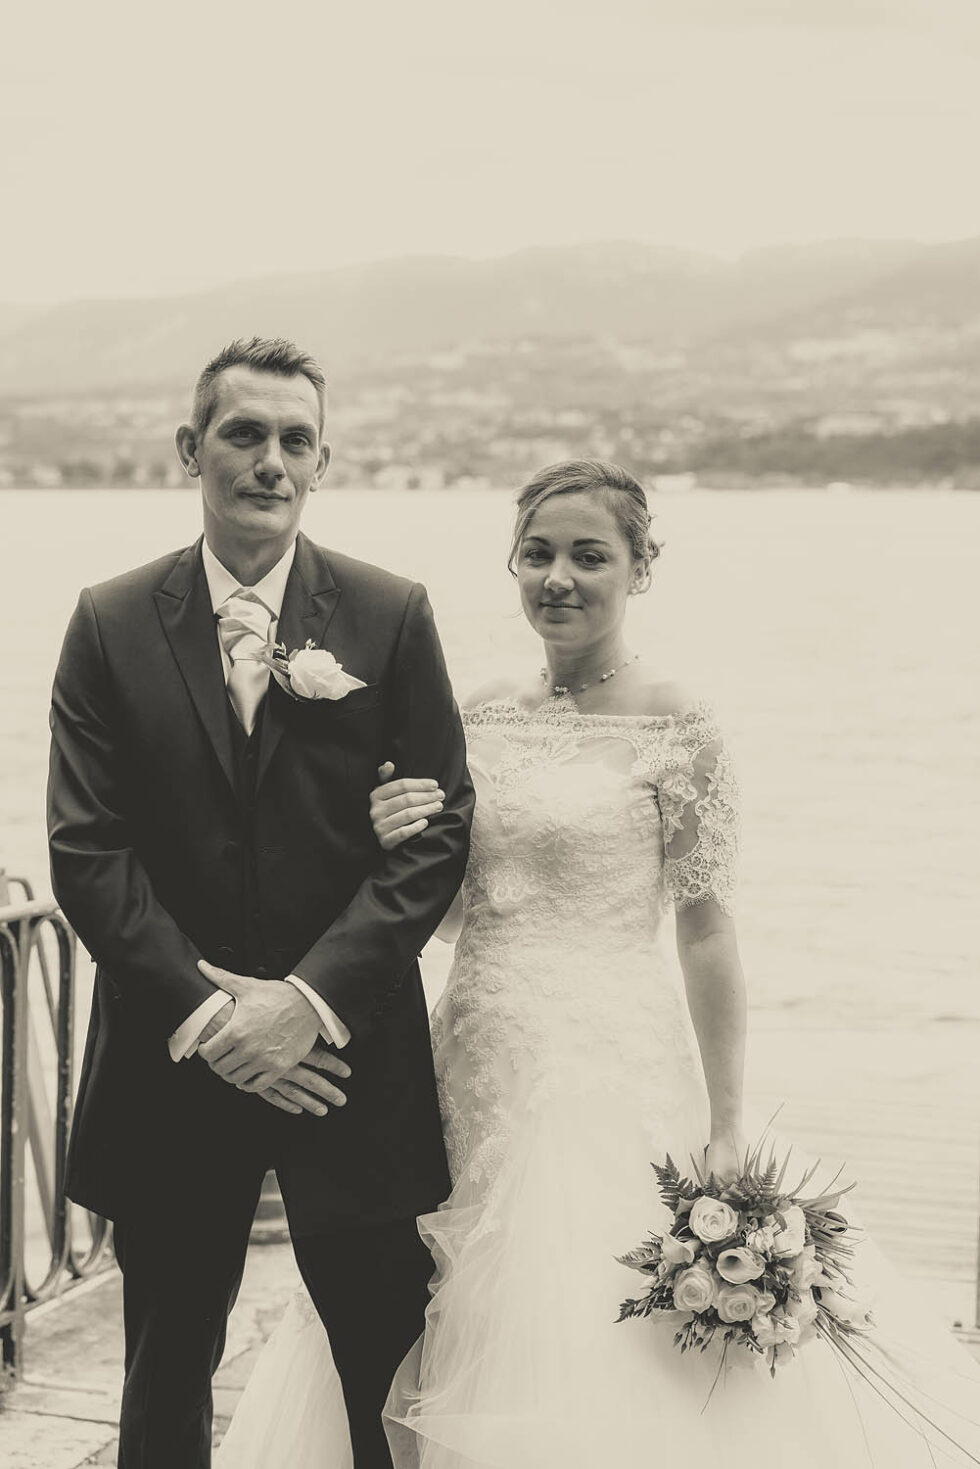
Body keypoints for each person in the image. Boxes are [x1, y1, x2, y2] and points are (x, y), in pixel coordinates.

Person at [217, 459, 980, 1468]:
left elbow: (704, 927)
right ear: (511, 565)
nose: (558, 577)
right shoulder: (474, 711)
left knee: (580, 1310)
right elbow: (445, 911)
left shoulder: (681, 722)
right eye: (536, 553)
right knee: (411, 1306)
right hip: (466, 1053)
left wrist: (726, 1119)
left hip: (609, 1062)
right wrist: (385, 837)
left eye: (588, 554)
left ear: (639, 567)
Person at [47, 336, 474, 1469]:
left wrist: (309, 1003)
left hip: (347, 1061)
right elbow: (88, 850)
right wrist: (216, 1018)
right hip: (171, 1058)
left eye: (295, 439)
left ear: (322, 461)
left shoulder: (390, 615)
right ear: (192, 448)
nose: (269, 460)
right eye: (244, 433)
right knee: (164, 1371)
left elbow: (434, 839)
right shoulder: (109, 620)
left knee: (385, 1364)